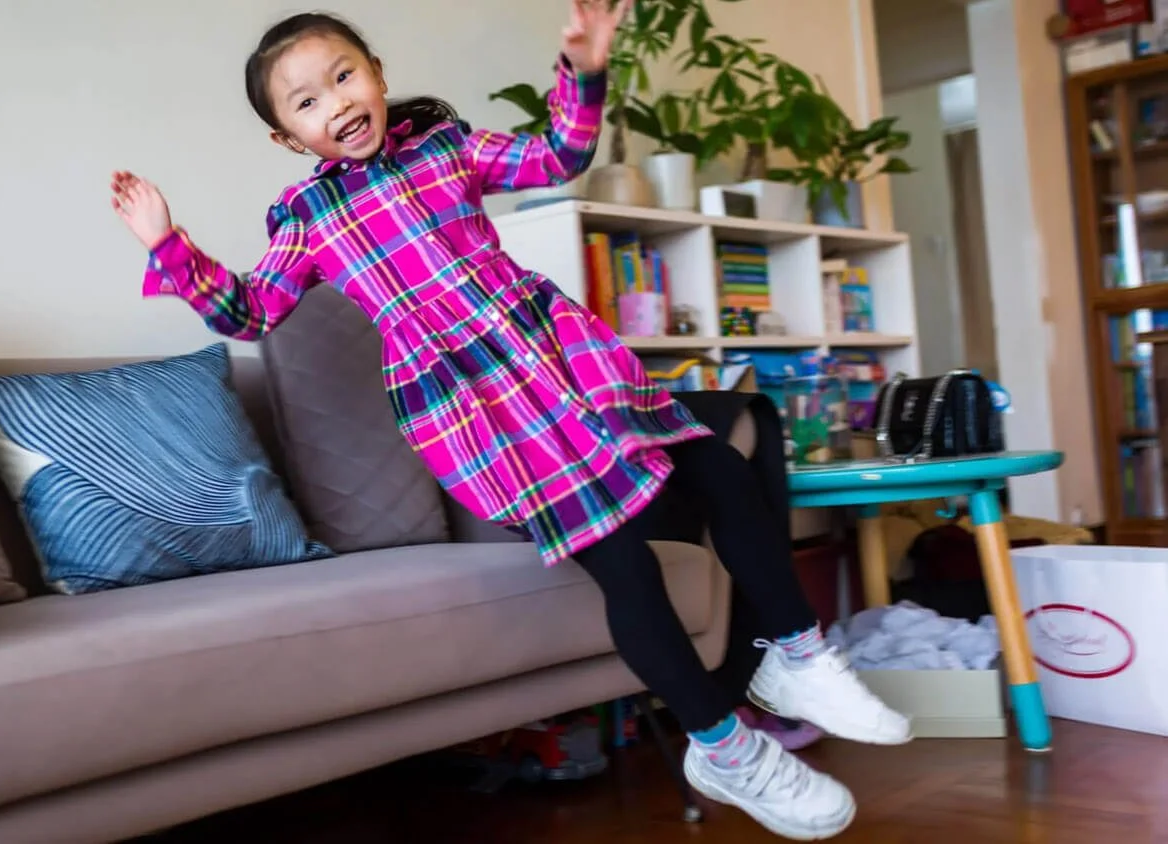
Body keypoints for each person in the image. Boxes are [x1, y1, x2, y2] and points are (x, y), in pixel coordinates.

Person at [108, 3, 910, 838]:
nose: (336, 102)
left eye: (344, 76)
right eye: (305, 102)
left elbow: (558, 153)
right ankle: (724, 748)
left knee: (717, 465)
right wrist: (169, 245)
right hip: (475, 410)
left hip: (561, 361)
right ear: (287, 138)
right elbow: (249, 311)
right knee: (625, 569)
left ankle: (797, 656)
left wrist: (585, 69)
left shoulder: (445, 146)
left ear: (377, 73)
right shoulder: (305, 219)